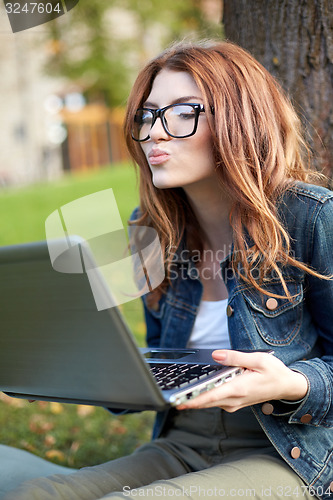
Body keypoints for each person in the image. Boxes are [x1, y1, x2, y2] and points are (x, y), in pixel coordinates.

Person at [2, 39, 333, 500]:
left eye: (182, 112)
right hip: (184, 442)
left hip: (291, 454)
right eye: (147, 115)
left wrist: (293, 384)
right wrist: (67, 375)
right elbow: (159, 373)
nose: (156, 131)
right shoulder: (152, 234)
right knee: (36, 494)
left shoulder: (310, 217)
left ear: (240, 118)